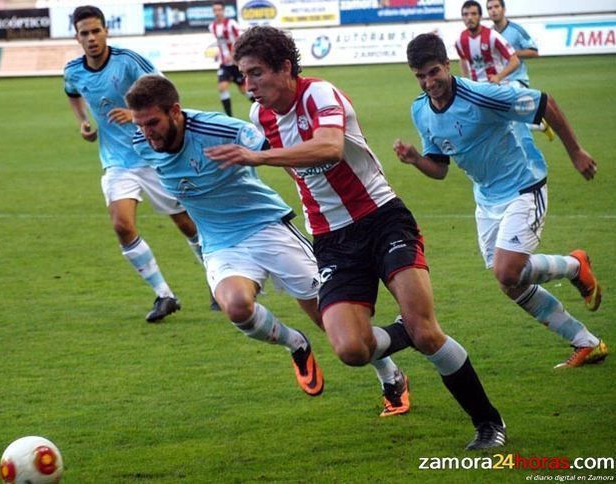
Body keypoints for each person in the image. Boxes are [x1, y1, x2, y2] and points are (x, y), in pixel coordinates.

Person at [205, 25, 506, 450]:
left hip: (382, 219)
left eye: (255, 73)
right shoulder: (260, 117)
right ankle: (403, 332)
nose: (247, 84)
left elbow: (329, 147)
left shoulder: (320, 95)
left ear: (285, 68)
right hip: (331, 239)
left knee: (427, 333)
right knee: (351, 349)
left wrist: (260, 156)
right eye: (243, 74)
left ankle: (487, 422)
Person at [126, 74, 413, 414]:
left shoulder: (219, 129)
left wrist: (318, 195)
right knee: (235, 306)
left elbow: (278, 150)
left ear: (175, 111)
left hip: (267, 227)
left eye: (153, 123)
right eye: (140, 124)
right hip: (220, 242)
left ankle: (390, 375)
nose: (147, 132)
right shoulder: (140, 141)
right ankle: (296, 344)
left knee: (332, 321)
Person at [394, 33, 607, 371]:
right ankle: (587, 343)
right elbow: (439, 169)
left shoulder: (481, 95)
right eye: (420, 76)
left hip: (524, 185)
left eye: (434, 72)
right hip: (487, 198)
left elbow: (545, 103)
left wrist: (576, 151)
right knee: (510, 284)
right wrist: (416, 159)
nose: (428, 82)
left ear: (446, 65)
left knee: (507, 271)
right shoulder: (421, 110)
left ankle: (574, 266)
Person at [64, 5, 206, 323]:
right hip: (116, 162)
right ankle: (164, 295)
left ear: (106, 31)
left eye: (96, 31)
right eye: (84, 33)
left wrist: (134, 114)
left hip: (153, 155)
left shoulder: (128, 61)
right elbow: (72, 93)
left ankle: (217, 279)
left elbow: (165, 92)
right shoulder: (73, 70)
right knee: (121, 225)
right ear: (77, 37)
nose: (91, 38)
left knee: (186, 224)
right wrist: (83, 122)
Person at [486, 0, 555, 140]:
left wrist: (511, 53)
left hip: (517, 80)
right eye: (490, 8)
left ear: (503, 9)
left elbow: (534, 51)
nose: (493, 10)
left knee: (510, 119)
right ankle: (539, 124)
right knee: (500, 118)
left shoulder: (516, 30)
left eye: (496, 7)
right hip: (499, 81)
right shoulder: (489, 34)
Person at [455, 0, 519, 85]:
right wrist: (466, 82)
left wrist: (498, 77)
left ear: (480, 16)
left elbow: (515, 61)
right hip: (477, 88)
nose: (469, 18)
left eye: (473, 14)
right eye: (466, 14)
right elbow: (463, 60)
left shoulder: (492, 36)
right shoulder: (460, 40)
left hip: (498, 86)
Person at [208, 1, 251, 117]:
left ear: (223, 10)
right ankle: (229, 117)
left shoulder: (231, 24)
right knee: (222, 87)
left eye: (219, 10)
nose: (217, 12)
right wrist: (219, 53)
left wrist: (232, 55)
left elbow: (239, 41)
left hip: (236, 63)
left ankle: (262, 108)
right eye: (215, 10)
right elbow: (220, 42)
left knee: (244, 90)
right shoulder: (212, 26)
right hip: (224, 64)